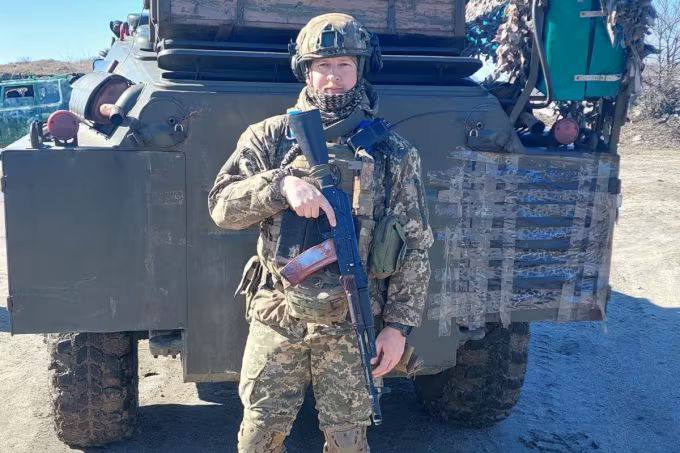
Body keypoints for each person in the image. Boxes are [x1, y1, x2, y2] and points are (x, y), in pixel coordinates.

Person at [209, 13, 433, 453]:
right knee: (259, 438)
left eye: (344, 65)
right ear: (305, 70)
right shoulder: (270, 138)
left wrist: (398, 327)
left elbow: (416, 246)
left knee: (348, 442)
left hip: (353, 321)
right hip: (279, 315)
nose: (333, 77)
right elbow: (221, 208)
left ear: (360, 70)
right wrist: (280, 187)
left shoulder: (393, 152)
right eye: (322, 65)